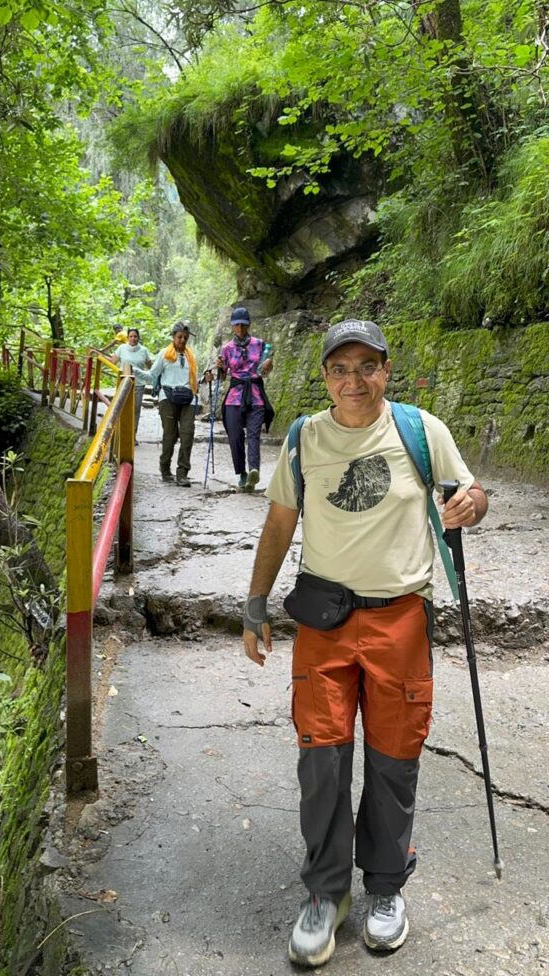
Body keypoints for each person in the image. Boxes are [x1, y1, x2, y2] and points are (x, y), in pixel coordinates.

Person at [241, 318, 488, 968]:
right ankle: (326, 894)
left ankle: (384, 889)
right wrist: (254, 604)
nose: (354, 380)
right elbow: (278, 525)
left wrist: (470, 504)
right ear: (324, 376)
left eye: (367, 366)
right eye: (340, 368)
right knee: (321, 763)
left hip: (401, 619)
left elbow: (471, 493)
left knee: (392, 758)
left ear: (385, 369)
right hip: (323, 623)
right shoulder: (304, 439)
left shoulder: (421, 430)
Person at [133, 321, 200, 487]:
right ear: (173, 337)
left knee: (187, 433)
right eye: (179, 337)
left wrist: (204, 381)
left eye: (185, 337)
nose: (182, 340)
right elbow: (151, 376)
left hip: (188, 398)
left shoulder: (191, 357)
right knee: (170, 435)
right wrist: (132, 370)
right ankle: (165, 469)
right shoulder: (164, 354)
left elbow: (195, 381)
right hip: (167, 397)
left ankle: (182, 473)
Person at [216, 306, 274, 492]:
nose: (240, 328)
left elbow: (265, 371)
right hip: (234, 397)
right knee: (235, 436)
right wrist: (219, 367)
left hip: (255, 395)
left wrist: (268, 365)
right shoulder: (226, 348)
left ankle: (254, 470)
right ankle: (241, 473)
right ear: (232, 326)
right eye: (236, 325)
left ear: (248, 324)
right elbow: (222, 377)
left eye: (243, 324)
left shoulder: (260, 344)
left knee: (254, 434)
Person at [110, 328, 152, 443]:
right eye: (131, 336)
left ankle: (133, 435)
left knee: (136, 410)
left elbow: (150, 366)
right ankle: (120, 434)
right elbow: (112, 361)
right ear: (127, 338)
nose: (133, 338)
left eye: (135, 336)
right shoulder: (122, 348)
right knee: (121, 408)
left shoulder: (144, 350)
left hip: (138, 384)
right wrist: (97, 356)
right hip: (124, 383)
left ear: (138, 338)